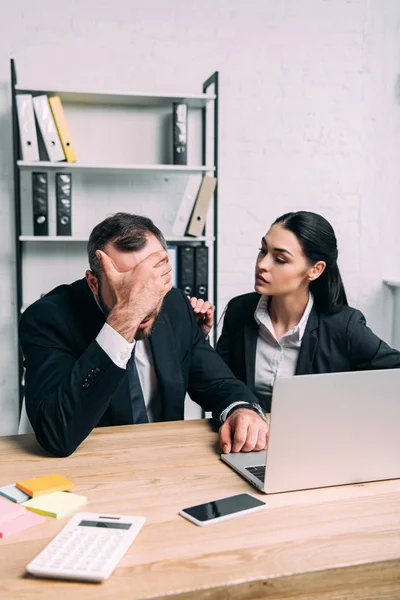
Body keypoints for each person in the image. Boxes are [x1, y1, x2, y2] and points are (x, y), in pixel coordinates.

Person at [19, 213, 268, 457]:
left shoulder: (175, 304)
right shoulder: (48, 318)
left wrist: (241, 410)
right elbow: (56, 435)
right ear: (93, 282)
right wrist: (124, 319)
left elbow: (218, 384)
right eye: (126, 287)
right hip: (91, 466)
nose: (145, 302)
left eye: (151, 282)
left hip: (164, 462)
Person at [191, 211, 400, 413]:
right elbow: (214, 390)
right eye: (263, 250)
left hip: (316, 443)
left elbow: (394, 374)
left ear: (315, 270)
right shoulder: (240, 311)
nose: (262, 264)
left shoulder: (344, 326)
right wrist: (199, 338)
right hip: (247, 444)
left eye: (280, 259)